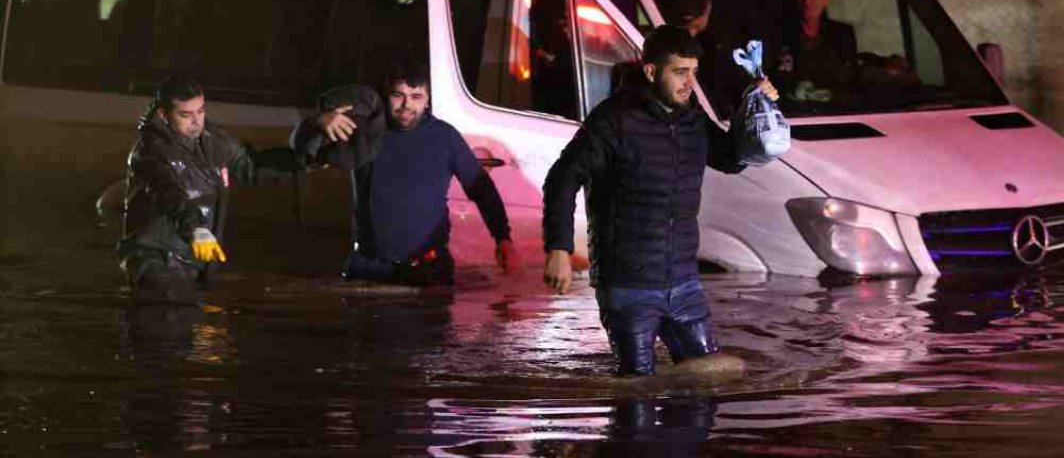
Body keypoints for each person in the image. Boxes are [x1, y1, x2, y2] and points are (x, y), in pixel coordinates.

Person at [540, 25, 778, 376]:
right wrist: (558, 249)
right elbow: (562, 177)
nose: (688, 84)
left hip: (684, 282)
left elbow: (730, 158)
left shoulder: (692, 119)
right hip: (628, 284)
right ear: (651, 71)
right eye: (680, 73)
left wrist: (755, 107)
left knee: (711, 381)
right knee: (637, 390)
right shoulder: (614, 120)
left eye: (693, 73)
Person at [291, 62, 515, 285]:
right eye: (399, 95)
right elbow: (301, 158)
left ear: (428, 100)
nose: (407, 105)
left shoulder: (444, 138)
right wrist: (317, 123)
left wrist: (503, 238)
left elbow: (482, 189)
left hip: (429, 271)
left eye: (416, 97)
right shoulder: (363, 131)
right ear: (385, 95)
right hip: (370, 270)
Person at [118, 77, 296, 299]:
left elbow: (252, 166)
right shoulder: (149, 151)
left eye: (200, 111)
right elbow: (169, 192)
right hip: (155, 260)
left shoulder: (214, 140)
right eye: (186, 115)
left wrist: (309, 155)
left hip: (199, 259)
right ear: (164, 116)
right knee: (168, 321)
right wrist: (196, 228)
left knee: (203, 328)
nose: (196, 121)